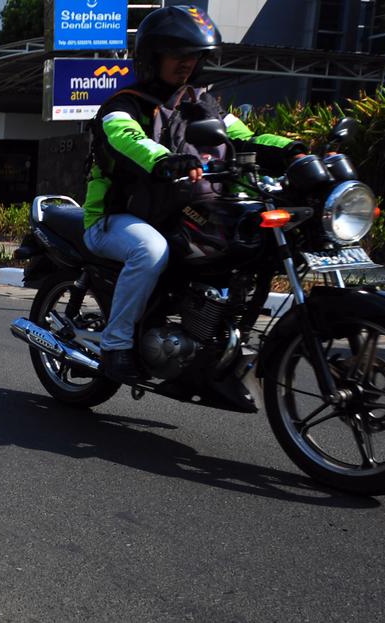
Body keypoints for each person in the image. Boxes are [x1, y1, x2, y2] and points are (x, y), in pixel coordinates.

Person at [83, 5, 304, 384]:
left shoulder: (203, 104)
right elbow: (126, 137)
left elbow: (245, 138)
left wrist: (293, 151)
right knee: (150, 250)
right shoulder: (125, 103)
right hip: (116, 218)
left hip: (177, 214)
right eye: (177, 54)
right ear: (153, 56)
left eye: (194, 55)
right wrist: (166, 160)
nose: (187, 63)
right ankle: (115, 344)